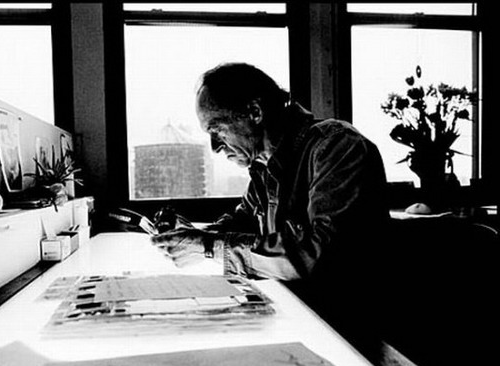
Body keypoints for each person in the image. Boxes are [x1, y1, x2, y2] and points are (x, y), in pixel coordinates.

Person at [151, 62, 390, 348]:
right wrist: (192, 234)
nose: (214, 147)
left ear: (255, 112)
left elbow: (318, 255)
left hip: (351, 332)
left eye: (217, 130)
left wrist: (208, 245)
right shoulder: (264, 168)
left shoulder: (337, 147)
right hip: (303, 321)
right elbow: (240, 223)